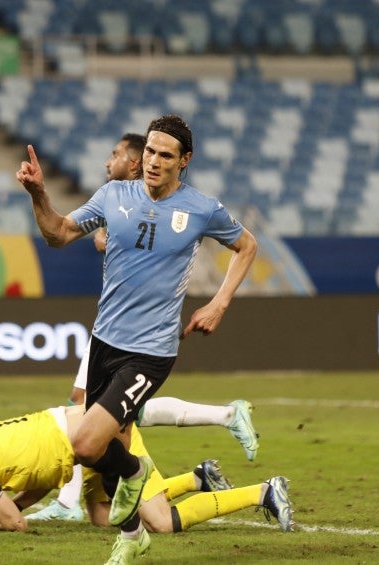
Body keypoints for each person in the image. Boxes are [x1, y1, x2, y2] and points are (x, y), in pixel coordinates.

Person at [15, 115, 258, 552]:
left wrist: (219, 303)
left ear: (184, 161)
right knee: (111, 458)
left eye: (165, 155)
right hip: (104, 343)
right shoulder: (113, 195)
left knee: (87, 445)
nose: (153, 161)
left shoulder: (201, 208)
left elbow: (247, 246)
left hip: (150, 351)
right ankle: (131, 539)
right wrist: (39, 195)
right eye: (149, 151)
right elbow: (59, 233)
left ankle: (137, 474)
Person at [0, 405, 293, 564]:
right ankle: (198, 478)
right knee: (103, 517)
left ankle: (263, 491)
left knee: (159, 523)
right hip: (78, 445)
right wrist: (4, 510)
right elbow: (40, 480)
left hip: (96, 439)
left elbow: (15, 524)